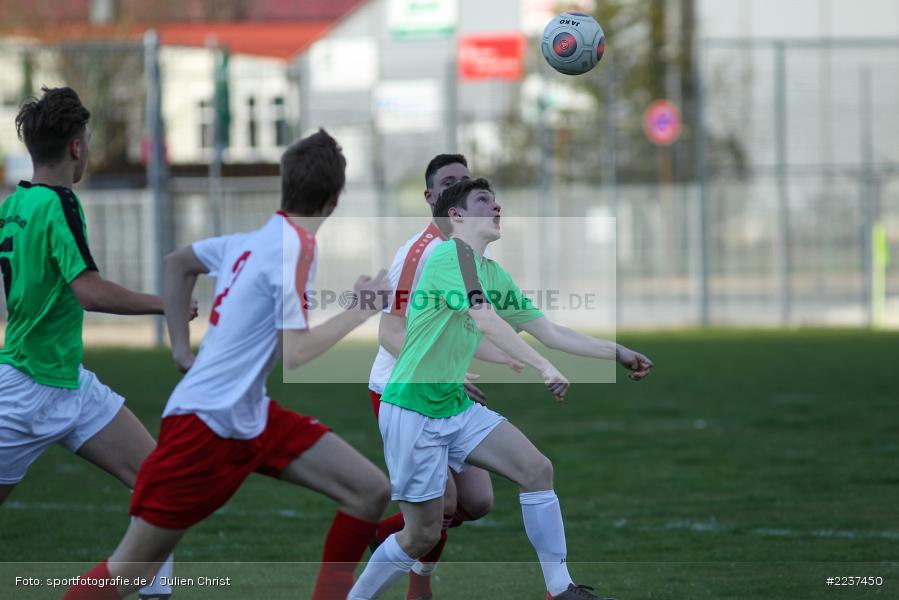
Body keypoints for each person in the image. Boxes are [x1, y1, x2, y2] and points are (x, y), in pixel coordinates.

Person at [64, 129, 393, 600]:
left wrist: (182, 351)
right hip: (203, 428)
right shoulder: (297, 246)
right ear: (335, 199)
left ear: (285, 185)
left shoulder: (249, 241)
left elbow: (178, 263)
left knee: (368, 490)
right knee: (129, 571)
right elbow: (297, 352)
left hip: (249, 416)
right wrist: (361, 310)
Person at [349, 178, 653, 600]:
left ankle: (560, 589)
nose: (497, 207)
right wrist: (542, 366)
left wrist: (616, 352)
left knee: (536, 470)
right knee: (420, 536)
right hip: (412, 409)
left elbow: (549, 331)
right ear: (456, 216)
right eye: (483, 201)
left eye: (496, 201)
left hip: (452, 406)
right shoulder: (450, 254)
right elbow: (485, 318)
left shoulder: (491, 272)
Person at [0, 86, 189, 599]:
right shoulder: (59, 203)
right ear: (77, 147)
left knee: (161, 486)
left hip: (67, 383)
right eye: (87, 138)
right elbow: (90, 292)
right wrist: (166, 303)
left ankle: (153, 593)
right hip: (25, 390)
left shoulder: (15, 203)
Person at [367, 154, 524, 599]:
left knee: (478, 502)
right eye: (450, 182)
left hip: (446, 387)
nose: (461, 187)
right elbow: (389, 333)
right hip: (401, 388)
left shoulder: (469, 249)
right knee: (444, 504)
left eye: (467, 181)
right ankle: (417, 583)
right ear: (432, 196)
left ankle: (386, 536)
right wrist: (443, 372)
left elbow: (464, 326)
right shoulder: (418, 253)